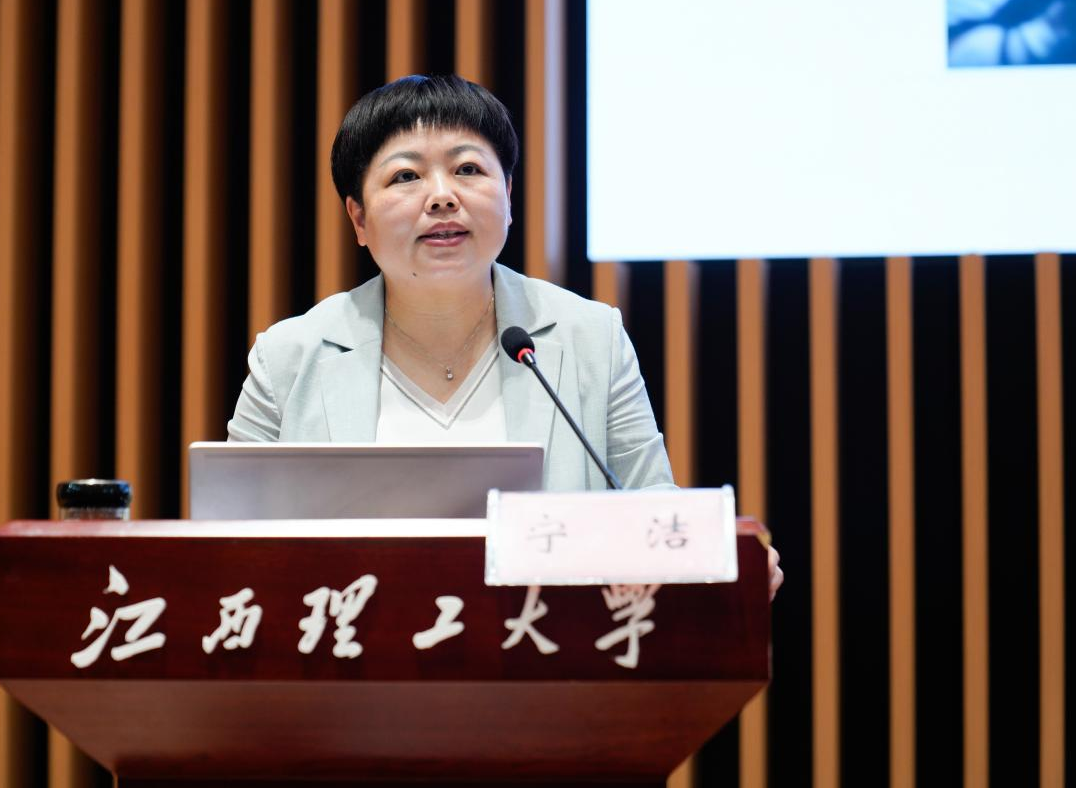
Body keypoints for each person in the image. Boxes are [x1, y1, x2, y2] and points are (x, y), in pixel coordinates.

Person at [227, 74, 782, 599]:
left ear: (508, 195)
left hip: (546, 650)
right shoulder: (288, 358)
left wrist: (720, 557)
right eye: (406, 176)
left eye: (468, 169)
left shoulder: (590, 338)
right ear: (358, 218)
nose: (442, 196)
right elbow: (223, 544)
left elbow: (650, 505)